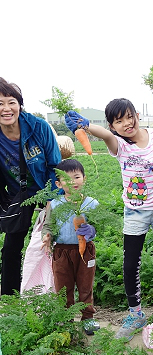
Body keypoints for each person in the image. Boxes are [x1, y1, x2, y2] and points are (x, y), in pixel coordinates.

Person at [64, 98, 153, 341]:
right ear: (113, 126)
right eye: (119, 121)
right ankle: (135, 313)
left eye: (129, 117)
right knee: (130, 264)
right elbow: (104, 135)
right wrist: (86, 126)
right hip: (135, 212)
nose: (127, 123)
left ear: (137, 114)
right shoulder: (120, 145)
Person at [0, 77, 61, 295]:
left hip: (48, 193)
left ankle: (59, 296)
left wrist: (53, 201)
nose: (6, 108)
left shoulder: (38, 127)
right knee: (11, 249)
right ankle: (10, 299)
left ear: (19, 105)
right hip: (19, 197)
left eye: (11, 102)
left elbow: (56, 166)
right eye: (0, 104)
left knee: (55, 246)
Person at [41, 159, 100, 335]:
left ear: (84, 178)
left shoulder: (91, 203)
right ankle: (65, 320)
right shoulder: (55, 204)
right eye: (67, 179)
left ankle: (87, 318)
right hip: (61, 252)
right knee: (63, 288)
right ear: (58, 184)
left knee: (85, 286)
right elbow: (48, 225)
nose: (73, 181)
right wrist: (47, 236)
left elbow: (98, 226)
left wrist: (92, 230)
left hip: (85, 251)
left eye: (76, 177)